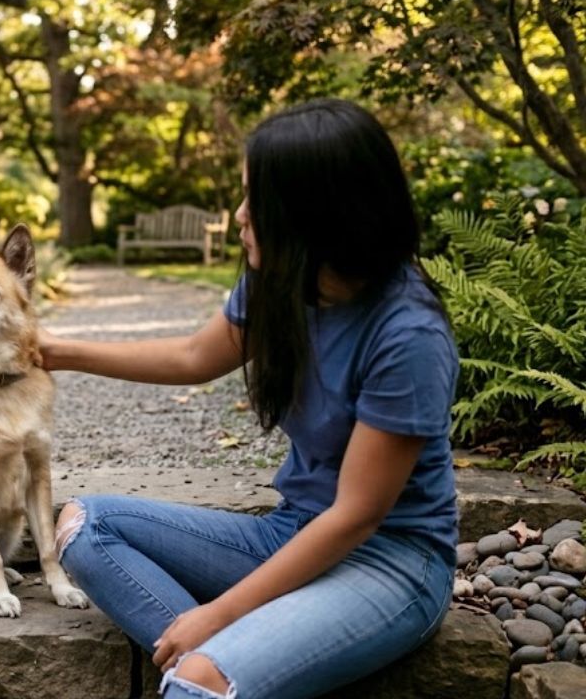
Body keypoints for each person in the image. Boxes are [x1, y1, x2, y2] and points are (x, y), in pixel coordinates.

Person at [40, 98, 458, 699]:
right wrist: (59, 350)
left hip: (390, 562)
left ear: (314, 214)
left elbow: (356, 516)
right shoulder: (282, 280)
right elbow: (193, 358)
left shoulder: (407, 334)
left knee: (200, 683)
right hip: (290, 532)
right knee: (87, 526)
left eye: (255, 202)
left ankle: (213, 674)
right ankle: (234, 669)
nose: (239, 217)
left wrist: (221, 614)